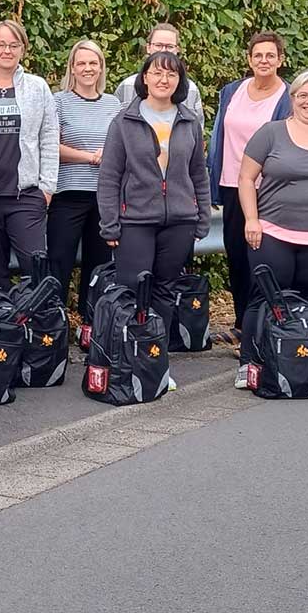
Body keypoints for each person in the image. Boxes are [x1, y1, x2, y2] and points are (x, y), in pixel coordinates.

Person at [97, 51, 211, 379]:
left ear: (179, 81)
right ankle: (126, 358)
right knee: (132, 289)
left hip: (179, 221)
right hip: (135, 220)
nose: (164, 80)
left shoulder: (188, 121)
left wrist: (201, 216)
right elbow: (109, 176)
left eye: (171, 75)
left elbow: (198, 174)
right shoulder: (125, 120)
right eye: (157, 73)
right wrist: (110, 223)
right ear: (144, 77)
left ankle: (154, 361)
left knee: (163, 292)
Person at [237, 70, 308, 389]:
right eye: (303, 95)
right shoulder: (270, 133)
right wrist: (251, 219)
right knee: (263, 301)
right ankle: (251, 365)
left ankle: (302, 364)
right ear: (293, 98)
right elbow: (246, 179)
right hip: (271, 233)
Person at [207, 31, 291, 347]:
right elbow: (219, 135)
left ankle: (264, 326)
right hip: (231, 184)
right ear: (249, 59)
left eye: (271, 55)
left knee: (263, 259)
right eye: (258, 55)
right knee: (237, 257)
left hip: (267, 190)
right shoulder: (232, 91)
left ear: (280, 60)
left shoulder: (287, 97)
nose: (264, 61)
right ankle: (242, 325)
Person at [0, 20, 59, 290]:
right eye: (1, 44)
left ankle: (40, 328)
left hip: (26, 197)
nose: (7, 50)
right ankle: (0, 329)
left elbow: (50, 138)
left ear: (23, 49)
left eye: (14, 45)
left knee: (37, 270)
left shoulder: (37, 87)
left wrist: (47, 189)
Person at [48, 40, 121, 319]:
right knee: (59, 260)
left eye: (93, 63)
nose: (88, 68)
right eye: (82, 63)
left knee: (99, 265)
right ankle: (54, 323)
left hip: (104, 196)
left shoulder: (113, 104)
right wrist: (88, 157)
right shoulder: (59, 101)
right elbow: (50, 146)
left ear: (101, 67)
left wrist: (110, 153)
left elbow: (123, 147)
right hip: (69, 194)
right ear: (72, 68)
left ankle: (92, 323)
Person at [115, 22, 204, 124]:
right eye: (158, 45)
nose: (163, 50)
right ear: (148, 48)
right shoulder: (127, 86)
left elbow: (197, 132)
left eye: (169, 46)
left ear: (177, 50)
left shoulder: (191, 90)